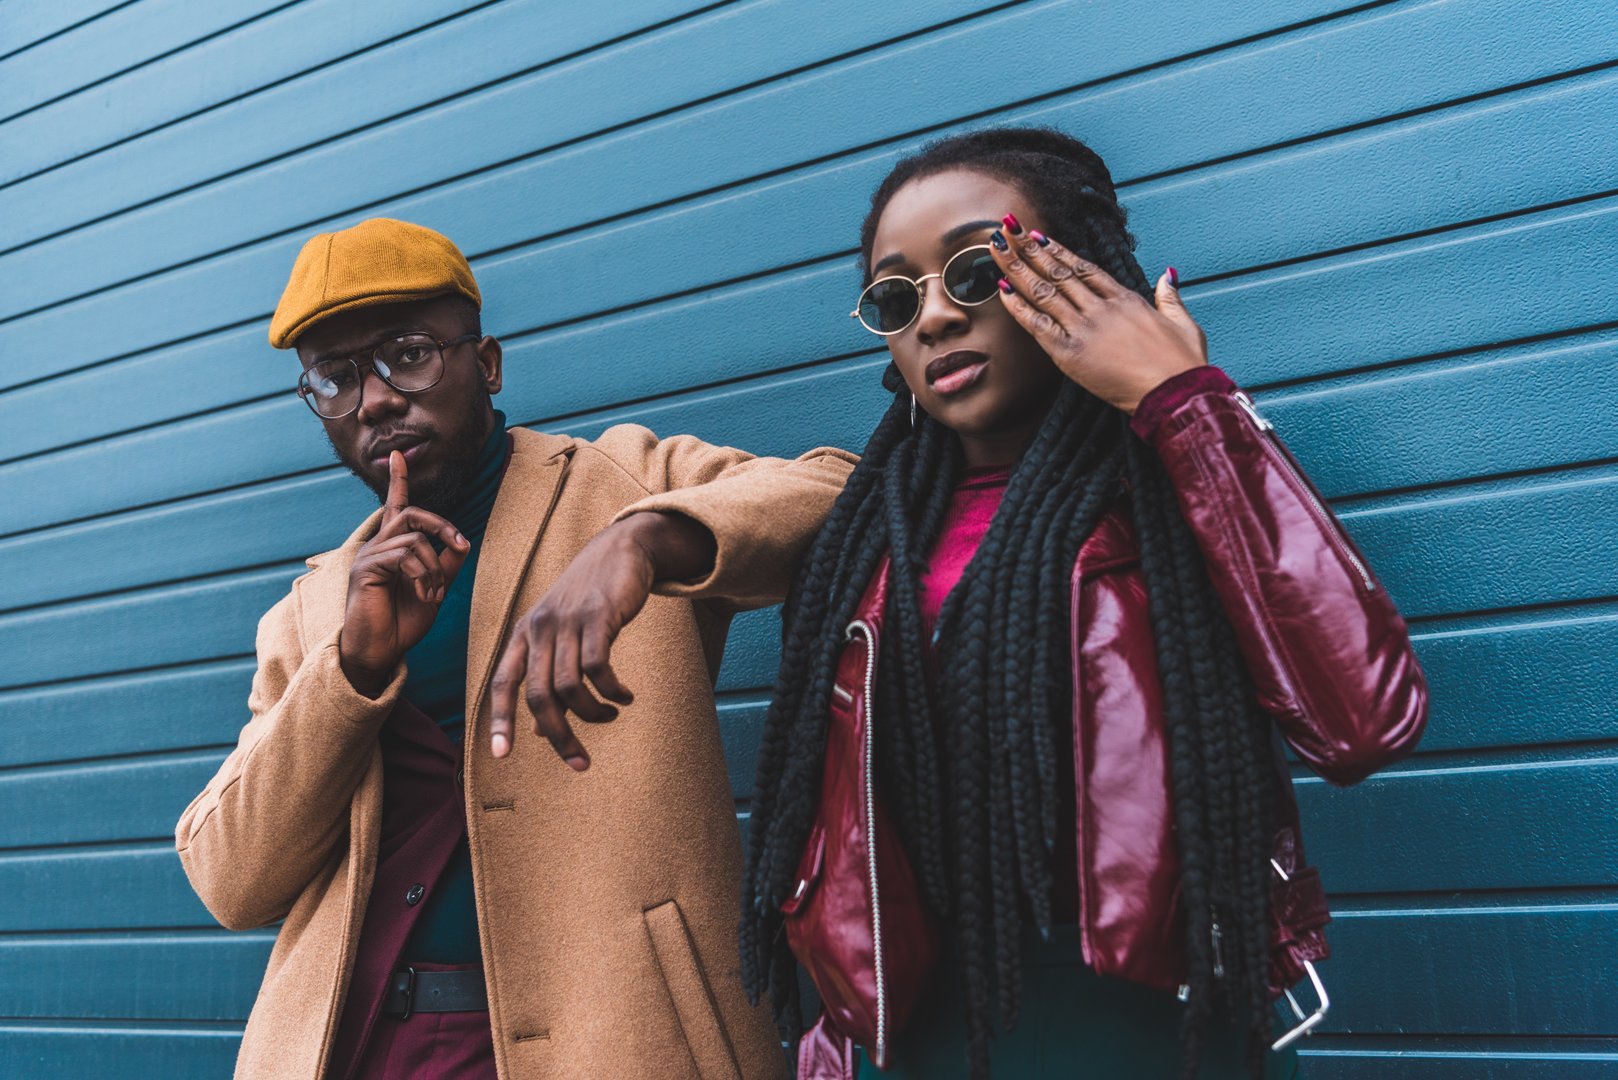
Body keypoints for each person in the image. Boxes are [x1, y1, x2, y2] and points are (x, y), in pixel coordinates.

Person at [736, 128, 1429, 1078]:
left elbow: (1364, 721)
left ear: (1084, 280)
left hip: (1154, 1025)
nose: (934, 316)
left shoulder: (1176, 482)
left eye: (976, 271)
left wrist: (1180, 400)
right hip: (927, 1031)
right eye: (898, 296)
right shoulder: (866, 539)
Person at [174, 217, 854, 1079]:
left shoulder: (624, 482)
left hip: (618, 1037)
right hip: (355, 1046)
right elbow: (231, 881)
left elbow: (843, 491)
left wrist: (641, 542)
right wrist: (351, 669)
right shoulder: (311, 611)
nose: (377, 398)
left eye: (408, 354)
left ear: (486, 364)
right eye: (336, 379)